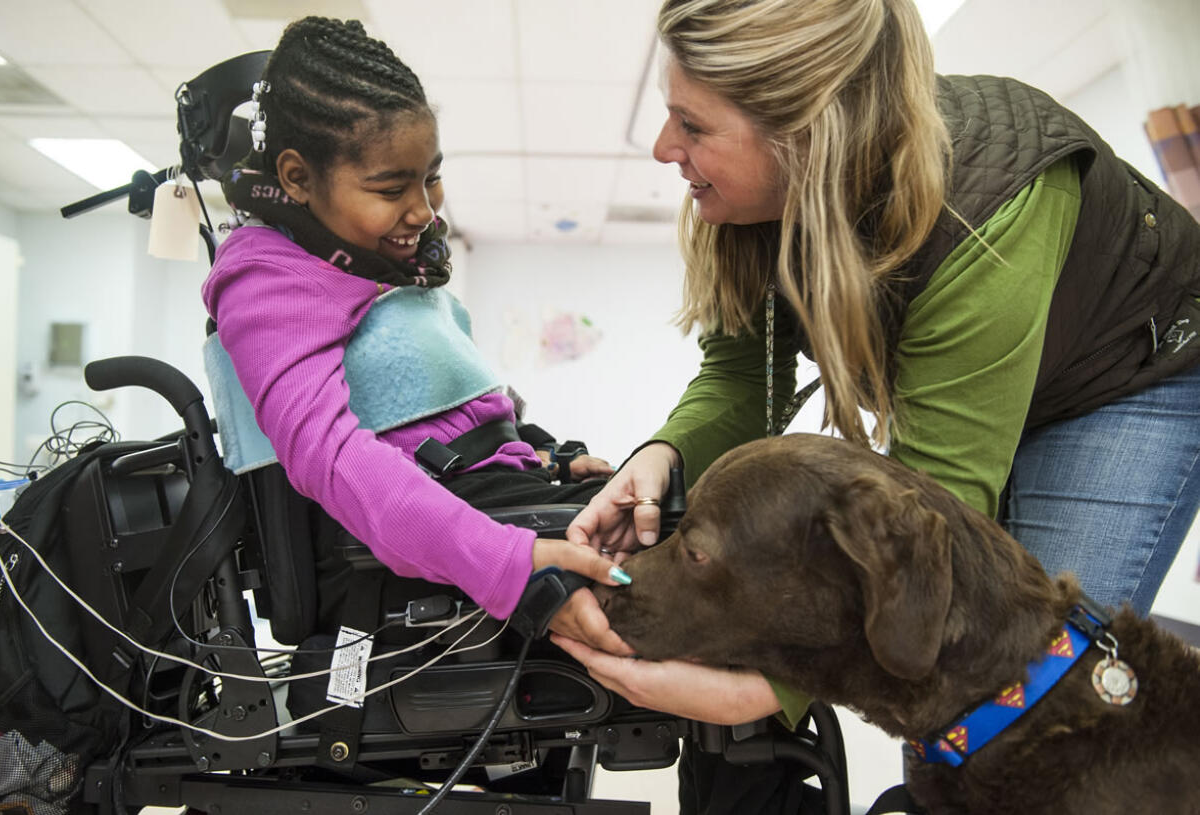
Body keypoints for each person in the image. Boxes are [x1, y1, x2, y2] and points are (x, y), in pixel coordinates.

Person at [555, 0, 1200, 811]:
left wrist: (767, 692)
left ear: (803, 134)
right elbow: (739, 381)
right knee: (947, 742)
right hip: (994, 374)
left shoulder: (988, 206)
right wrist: (660, 456)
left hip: (1123, 377)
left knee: (1012, 697)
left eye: (691, 123)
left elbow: (940, 510)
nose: (663, 148)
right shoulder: (755, 202)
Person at [201, 16, 628, 642]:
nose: (424, 210)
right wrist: (508, 566)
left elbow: (435, 415)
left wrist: (539, 451)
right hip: (409, 555)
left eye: (431, 176)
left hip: (491, 497)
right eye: (390, 187)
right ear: (296, 177)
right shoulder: (268, 277)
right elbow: (331, 455)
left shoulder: (375, 271)